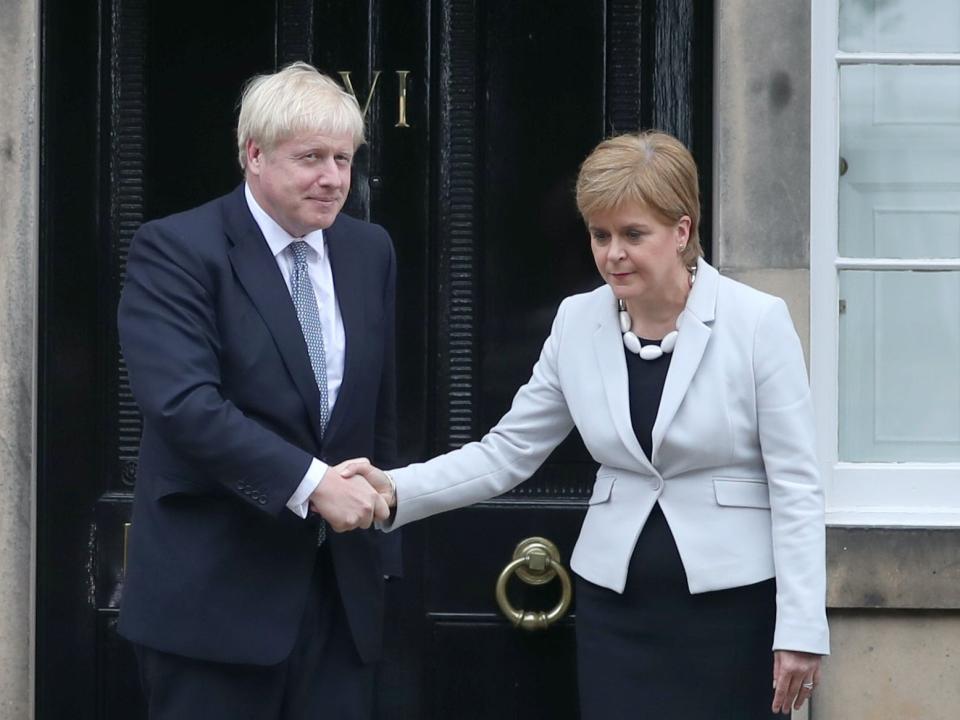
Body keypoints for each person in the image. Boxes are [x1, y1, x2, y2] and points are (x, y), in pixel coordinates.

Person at [348, 131, 829, 718]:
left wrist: (801, 627)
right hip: (615, 607)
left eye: (633, 234)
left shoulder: (757, 321)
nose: (612, 254)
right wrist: (396, 490)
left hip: (733, 611)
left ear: (681, 232)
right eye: (600, 235)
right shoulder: (577, 321)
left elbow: (796, 484)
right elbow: (507, 452)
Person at [117, 62, 398, 720]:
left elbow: (377, 408)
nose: (333, 179)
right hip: (213, 604)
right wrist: (312, 484)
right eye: (310, 159)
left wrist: (384, 529)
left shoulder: (369, 250)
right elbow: (183, 404)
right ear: (254, 155)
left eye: (343, 158)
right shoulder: (177, 249)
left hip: (340, 600)